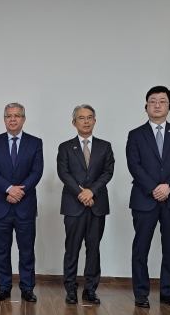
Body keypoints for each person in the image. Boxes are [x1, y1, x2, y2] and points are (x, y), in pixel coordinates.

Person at [126, 86, 170, 309]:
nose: (157, 105)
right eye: (152, 101)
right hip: (145, 199)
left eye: (162, 101)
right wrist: (155, 188)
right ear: (146, 106)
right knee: (141, 247)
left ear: (169, 107)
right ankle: (141, 293)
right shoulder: (135, 134)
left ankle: (168, 292)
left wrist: (169, 186)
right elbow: (134, 165)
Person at [0, 102, 43, 302]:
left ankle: (27, 288)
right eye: (9, 115)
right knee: (1, 251)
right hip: (0, 206)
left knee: (27, 251)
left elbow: (37, 172)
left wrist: (19, 191)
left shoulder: (35, 143)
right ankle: (4, 287)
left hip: (25, 206)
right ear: (4, 119)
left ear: (24, 119)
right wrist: (9, 189)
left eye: (17, 115)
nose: (13, 119)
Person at [56, 104, 114, 305]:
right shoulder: (65, 147)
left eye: (90, 117)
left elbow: (108, 172)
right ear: (74, 122)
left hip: (97, 204)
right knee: (72, 249)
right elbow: (64, 173)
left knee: (93, 248)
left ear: (95, 121)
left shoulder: (105, 146)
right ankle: (70, 289)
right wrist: (81, 193)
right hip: (73, 205)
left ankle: (90, 289)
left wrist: (92, 191)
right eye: (82, 118)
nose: (86, 121)